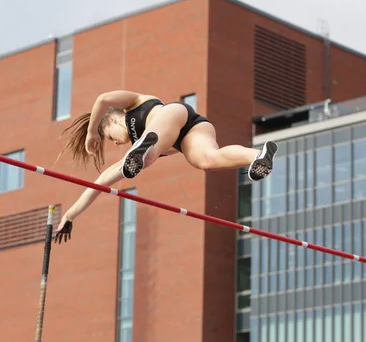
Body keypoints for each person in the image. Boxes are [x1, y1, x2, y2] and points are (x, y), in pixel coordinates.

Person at [53, 90, 278, 242]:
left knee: (146, 157)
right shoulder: (136, 151)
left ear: (111, 120)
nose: (116, 143)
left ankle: (145, 148)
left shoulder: (135, 103)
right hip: (191, 131)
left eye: (111, 138)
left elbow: (103, 99)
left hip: (172, 114)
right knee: (207, 160)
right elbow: (100, 183)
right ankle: (257, 155)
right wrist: (71, 215)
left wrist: (92, 132)